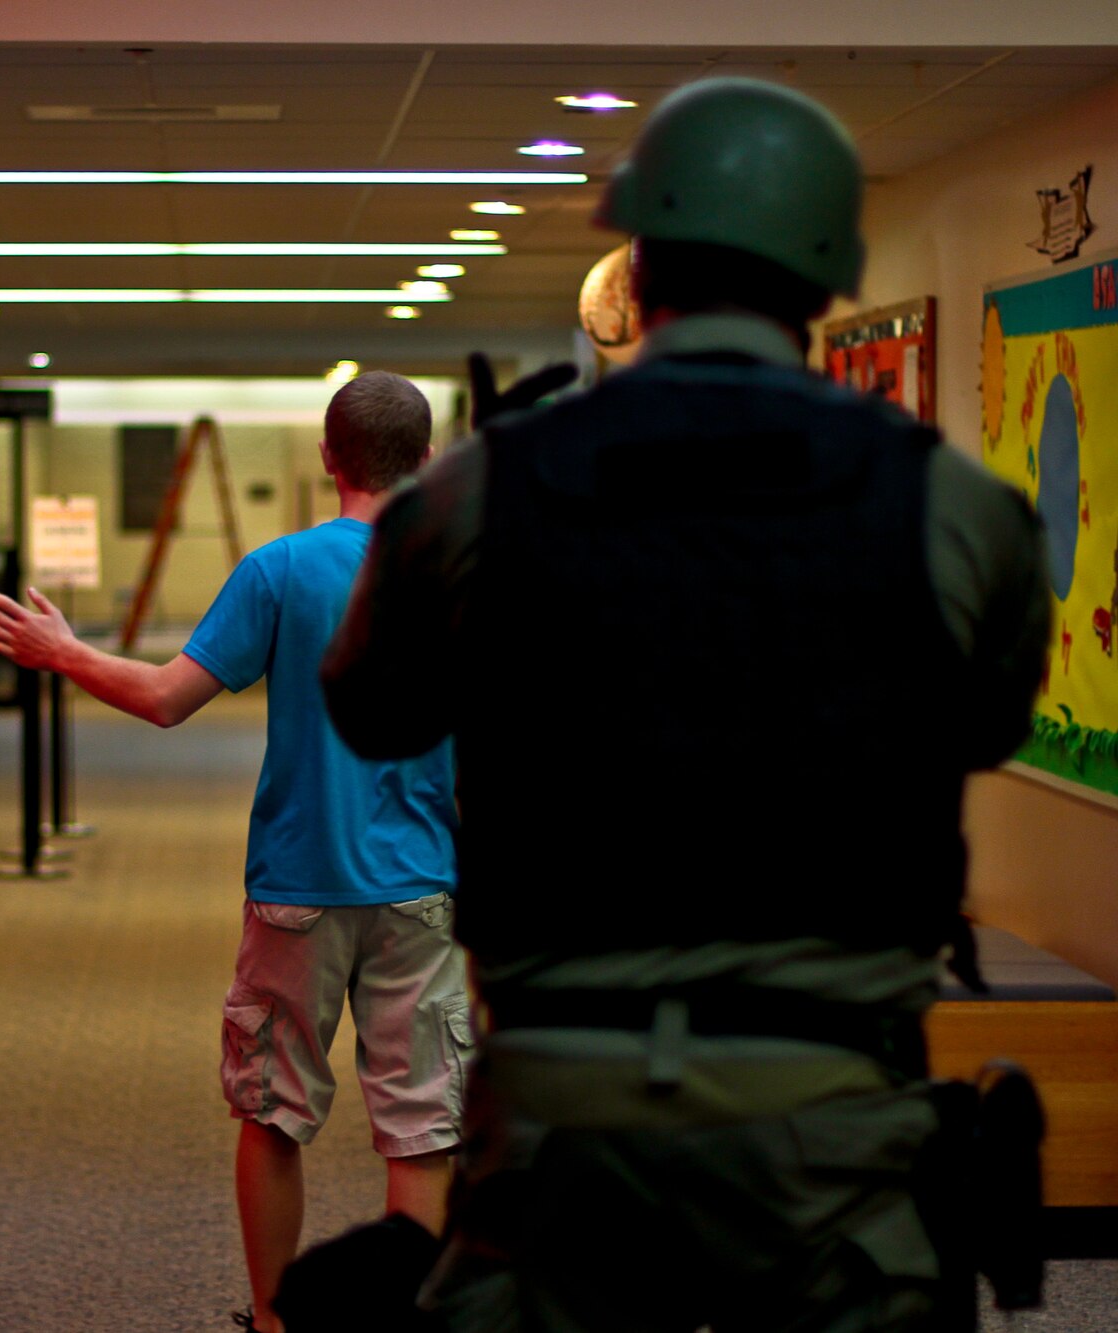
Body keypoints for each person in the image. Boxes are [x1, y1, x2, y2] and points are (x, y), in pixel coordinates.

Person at [317, 78, 1051, 1331]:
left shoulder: (485, 489)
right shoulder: (952, 507)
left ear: (638, 263)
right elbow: (981, 723)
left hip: (560, 1118)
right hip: (830, 1121)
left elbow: (373, 713)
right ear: (827, 268)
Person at [0, 371, 467, 1333]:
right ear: (429, 461)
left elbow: (165, 699)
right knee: (419, 1131)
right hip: (423, 890)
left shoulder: (278, 571)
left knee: (273, 1114)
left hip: (296, 890)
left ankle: (276, 1321)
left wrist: (63, 651)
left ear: (329, 458)